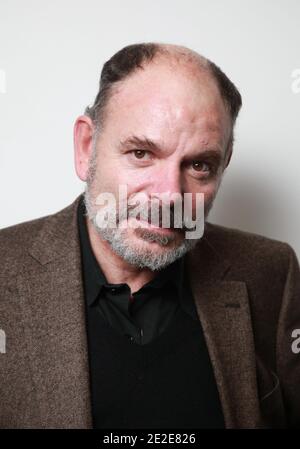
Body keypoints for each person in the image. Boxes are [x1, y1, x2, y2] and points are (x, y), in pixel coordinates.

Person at [0, 43, 299, 429]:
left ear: (224, 165)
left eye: (199, 165)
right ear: (86, 147)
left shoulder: (272, 272)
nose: (170, 195)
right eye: (141, 153)